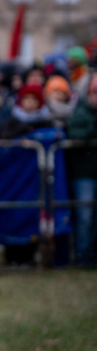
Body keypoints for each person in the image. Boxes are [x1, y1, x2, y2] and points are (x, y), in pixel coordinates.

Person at [66, 75, 97, 266]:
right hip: (84, 173)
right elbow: (76, 134)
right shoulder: (81, 112)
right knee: (84, 216)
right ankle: (81, 254)